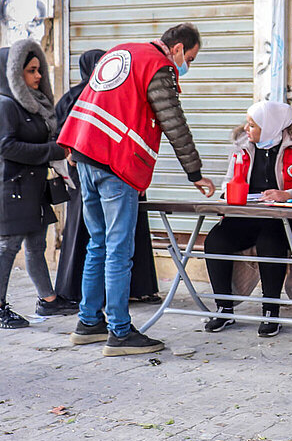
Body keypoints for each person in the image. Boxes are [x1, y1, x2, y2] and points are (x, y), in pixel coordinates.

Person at [58, 23, 216, 356]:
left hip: (84, 153)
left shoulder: (122, 51)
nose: (186, 66)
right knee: (118, 248)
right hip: (115, 161)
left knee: (98, 243)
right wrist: (195, 173)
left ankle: (88, 322)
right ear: (176, 49)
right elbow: (172, 120)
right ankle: (119, 331)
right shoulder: (157, 65)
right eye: (190, 57)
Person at [54, 50, 163, 305]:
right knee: (116, 247)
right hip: (113, 173)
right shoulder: (100, 96)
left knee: (97, 243)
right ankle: (118, 325)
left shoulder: (85, 97)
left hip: (89, 173)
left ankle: (89, 316)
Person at [203, 100, 292, 337]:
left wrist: (287, 194)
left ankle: (270, 311)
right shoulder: (242, 147)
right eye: (247, 124)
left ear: (270, 126)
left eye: (253, 125)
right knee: (215, 240)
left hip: (287, 221)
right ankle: (223, 308)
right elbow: (228, 183)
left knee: (270, 240)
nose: (247, 129)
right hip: (249, 217)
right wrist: (231, 193)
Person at [0, 39, 78, 327]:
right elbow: (6, 147)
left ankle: (48, 300)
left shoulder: (32, 105)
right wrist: (52, 151)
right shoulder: (6, 105)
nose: (38, 76)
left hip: (34, 189)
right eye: (31, 71)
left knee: (35, 245)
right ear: (13, 74)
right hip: (13, 190)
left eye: (38, 70)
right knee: (8, 247)